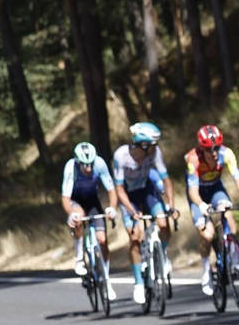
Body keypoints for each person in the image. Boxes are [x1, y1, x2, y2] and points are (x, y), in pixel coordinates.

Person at [112, 122, 177, 306]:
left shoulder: (155, 153)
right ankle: (139, 283)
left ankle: (162, 255)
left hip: (147, 190)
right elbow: (119, 189)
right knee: (135, 236)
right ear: (143, 144)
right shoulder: (121, 156)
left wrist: (171, 206)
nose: (156, 147)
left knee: (164, 224)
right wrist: (132, 211)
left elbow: (166, 181)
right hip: (128, 196)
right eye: (153, 144)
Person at [185, 125, 239, 296]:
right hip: (198, 194)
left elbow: (238, 179)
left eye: (217, 147)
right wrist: (201, 206)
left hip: (216, 189)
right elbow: (192, 191)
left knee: (228, 213)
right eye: (209, 149)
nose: (214, 152)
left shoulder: (226, 154)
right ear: (202, 147)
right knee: (207, 235)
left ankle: (234, 255)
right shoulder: (193, 159)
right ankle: (206, 269)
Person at [60, 141, 116, 298]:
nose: (89, 167)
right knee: (78, 217)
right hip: (75, 200)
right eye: (84, 165)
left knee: (102, 240)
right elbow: (65, 197)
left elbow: (111, 189)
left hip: (92, 200)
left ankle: (106, 279)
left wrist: (111, 207)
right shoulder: (71, 167)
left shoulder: (99, 164)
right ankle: (79, 258)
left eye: (90, 163)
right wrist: (71, 214)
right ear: (78, 162)